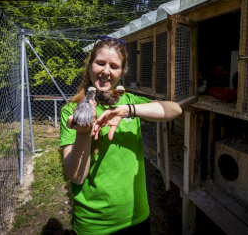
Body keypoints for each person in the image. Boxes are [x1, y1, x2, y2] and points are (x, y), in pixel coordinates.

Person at [60, 35, 182, 235]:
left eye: (114, 66)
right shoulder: (71, 111)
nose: (106, 71)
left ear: (122, 72)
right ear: (90, 65)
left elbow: (174, 110)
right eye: (100, 63)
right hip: (95, 223)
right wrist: (83, 134)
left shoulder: (128, 99)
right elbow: (75, 176)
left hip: (136, 214)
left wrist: (128, 110)